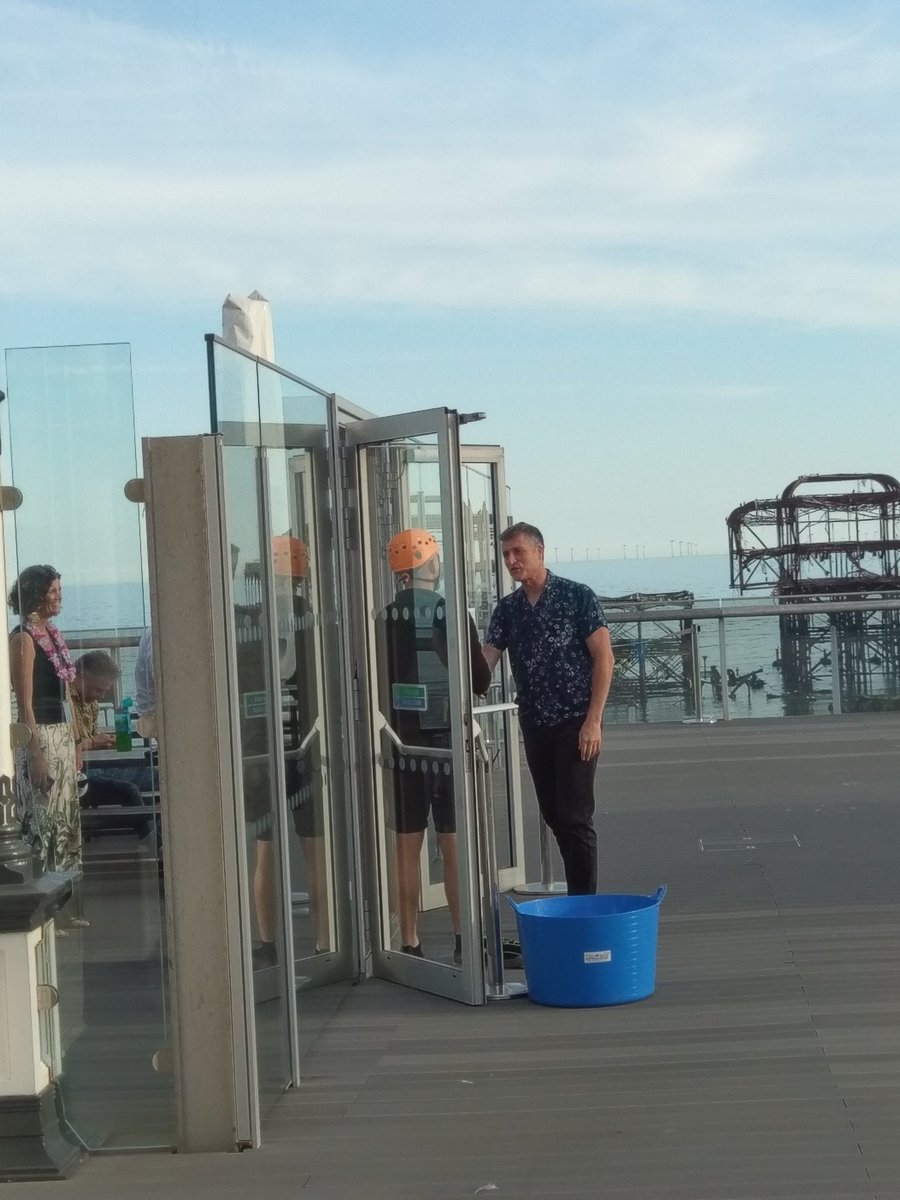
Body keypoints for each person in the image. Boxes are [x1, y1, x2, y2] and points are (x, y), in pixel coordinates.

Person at [378, 528, 491, 962]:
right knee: (453, 844)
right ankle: (465, 941)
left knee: (407, 847)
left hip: (400, 745)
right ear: (430, 564)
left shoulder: (384, 618)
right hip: (445, 742)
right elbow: (479, 682)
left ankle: (410, 941)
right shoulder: (451, 613)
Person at [483, 523, 614, 895]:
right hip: (535, 724)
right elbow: (486, 662)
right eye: (506, 554)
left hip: (575, 721)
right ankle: (577, 895)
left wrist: (594, 721)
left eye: (518, 552)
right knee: (555, 815)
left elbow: (604, 657)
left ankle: (583, 903)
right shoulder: (507, 610)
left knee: (575, 817)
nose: (511, 560)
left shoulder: (576, 597)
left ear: (539, 552)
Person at [8, 565, 85, 906]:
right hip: (40, 734)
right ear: (38, 595)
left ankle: (67, 900)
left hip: (62, 734)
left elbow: (67, 691)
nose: (59, 597)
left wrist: (77, 738)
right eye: (53, 591)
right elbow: (24, 700)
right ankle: (45, 900)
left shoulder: (53, 634)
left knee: (66, 817)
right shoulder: (23, 638)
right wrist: (35, 753)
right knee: (43, 818)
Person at [70, 650, 155, 844]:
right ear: (82, 678)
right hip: (79, 771)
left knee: (154, 776)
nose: (101, 696)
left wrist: (101, 741)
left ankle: (157, 832)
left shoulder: (89, 701)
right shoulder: (65, 702)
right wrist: (92, 742)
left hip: (92, 764)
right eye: (98, 690)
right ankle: (153, 842)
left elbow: (88, 737)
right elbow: (64, 745)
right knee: (130, 789)